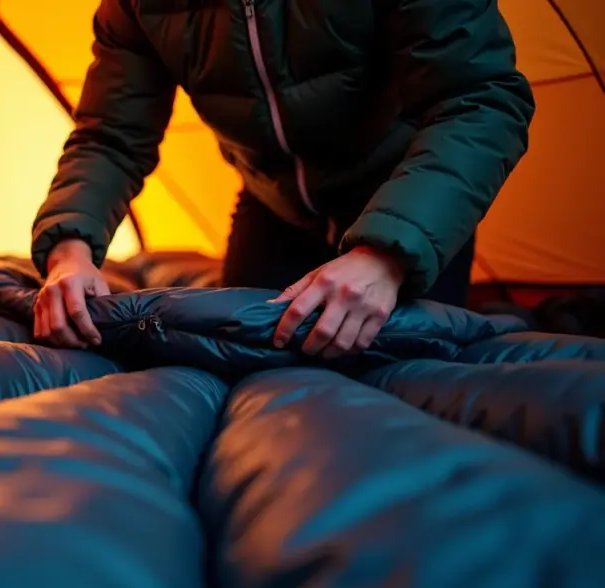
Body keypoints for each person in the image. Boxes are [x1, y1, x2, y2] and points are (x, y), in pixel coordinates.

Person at [30, 0, 534, 358]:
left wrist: (387, 257)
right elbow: (112, 134)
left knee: (406, 385)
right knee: (243, 376)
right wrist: (69, 251)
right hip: (274, 208)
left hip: (409, 207)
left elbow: (481, 100)